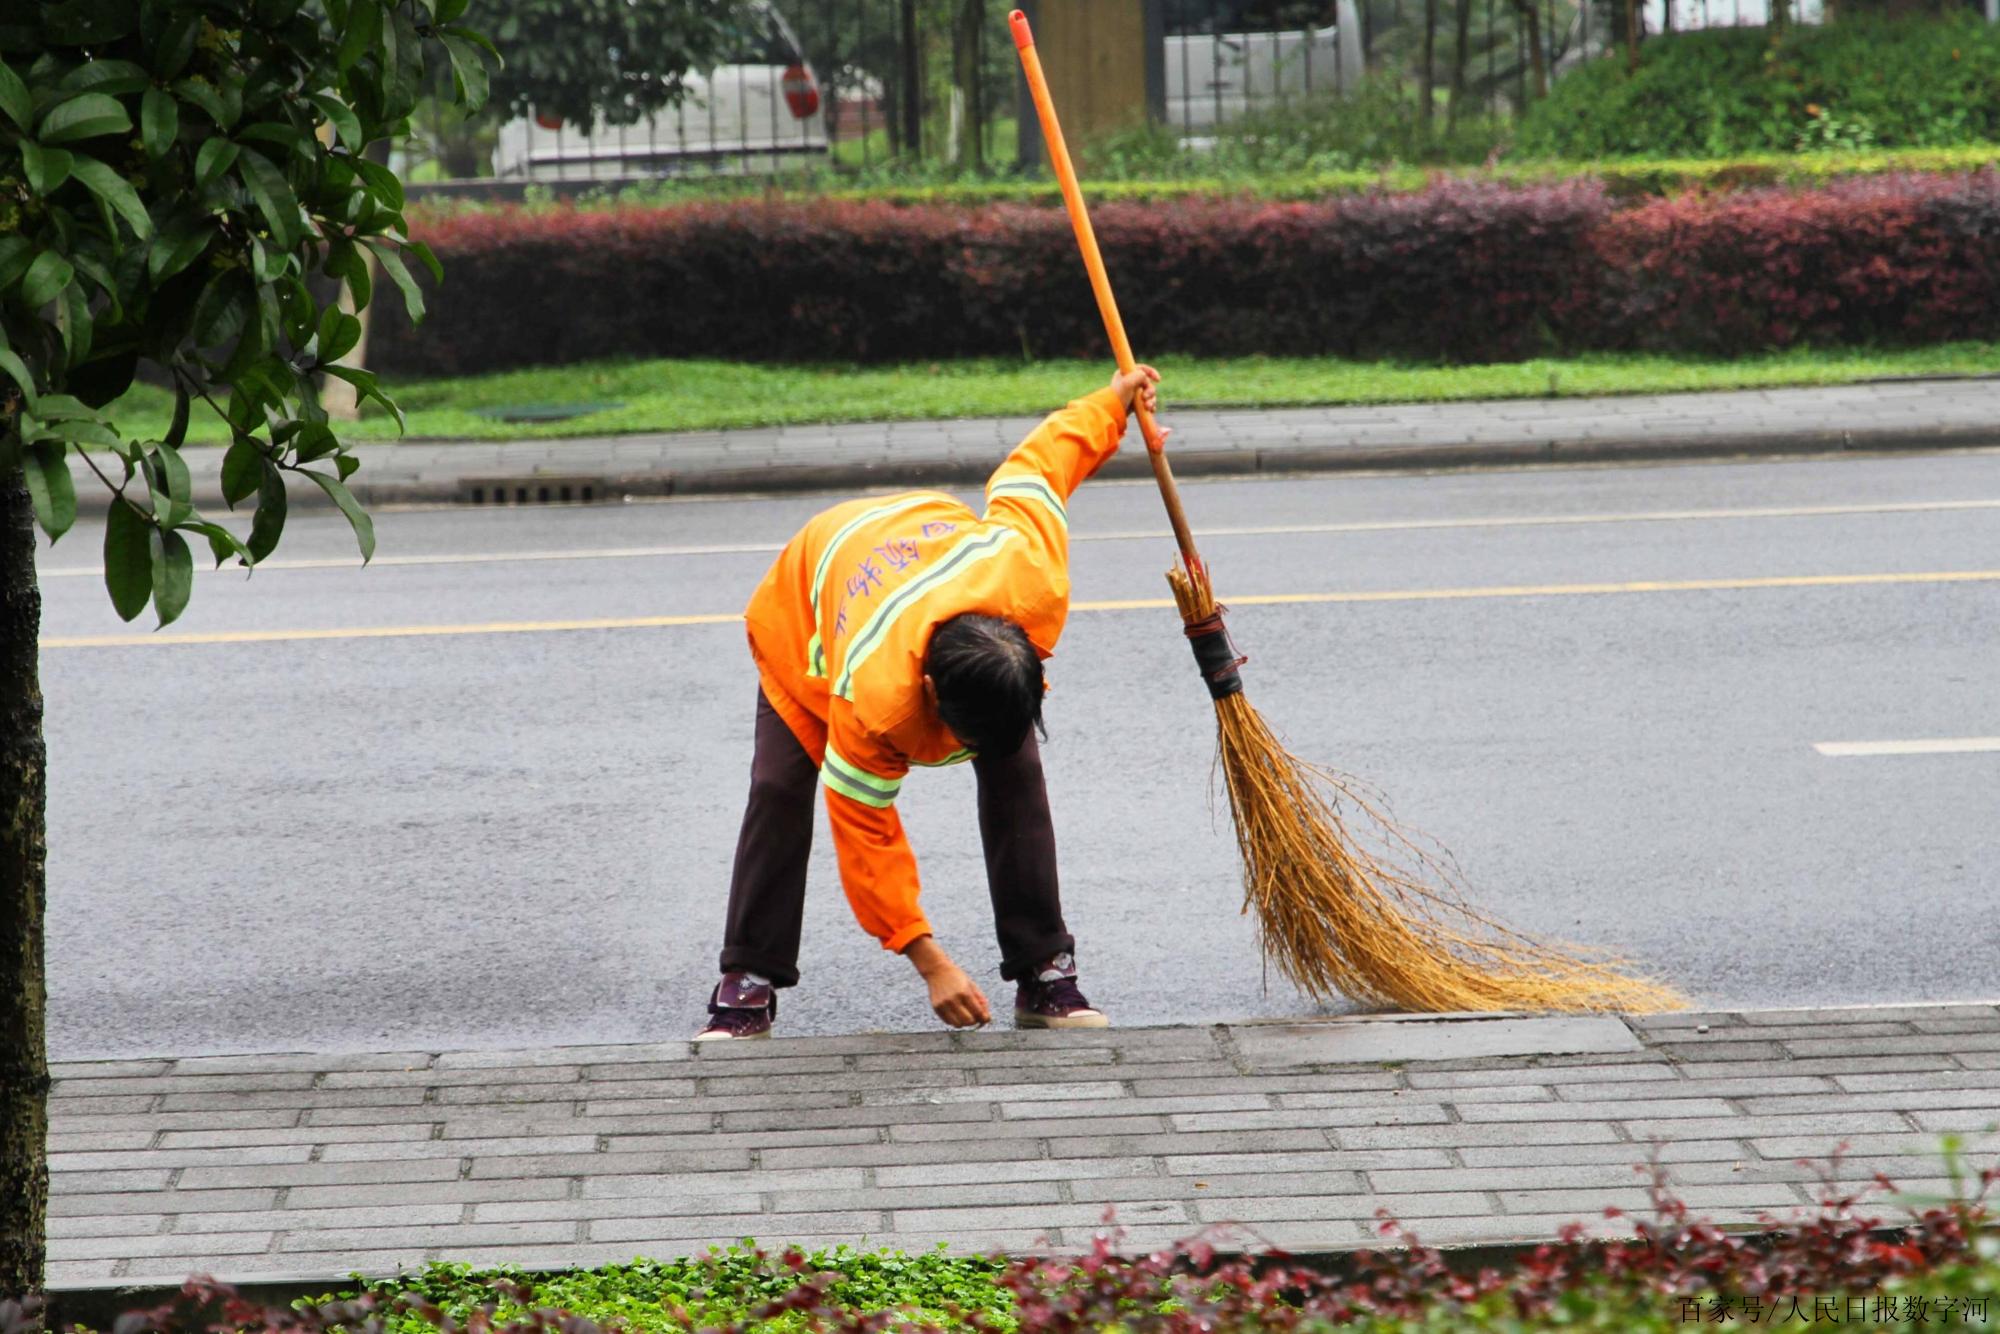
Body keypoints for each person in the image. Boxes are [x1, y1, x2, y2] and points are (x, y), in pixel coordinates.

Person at [696, 366, 1164, 1040]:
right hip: (809, 598)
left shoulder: (1027, 576)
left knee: (1017, 772)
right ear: (929, 698)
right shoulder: (876, 702)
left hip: (921, 531)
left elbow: (1037, 468)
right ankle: (749, 977)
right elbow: (867, 842)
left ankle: (1044, 971)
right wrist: (929, 960)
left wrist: (1112, 404)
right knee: (778, 786)